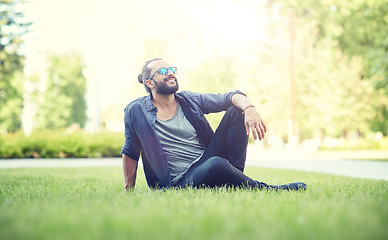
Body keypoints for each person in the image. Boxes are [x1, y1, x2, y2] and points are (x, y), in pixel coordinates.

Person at [121, 58, 306, 191]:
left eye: (172, 69)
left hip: (205, 161)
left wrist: (249, 107)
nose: (169, 73)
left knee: (236, 110)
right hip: (178, 181)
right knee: (216, 164)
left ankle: (233, 182)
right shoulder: (136, 111)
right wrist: (128, 189)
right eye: (162, 71)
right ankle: (266, 189)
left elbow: (228, 97)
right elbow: (130, 150)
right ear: (149, 83)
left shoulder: (188, 100)